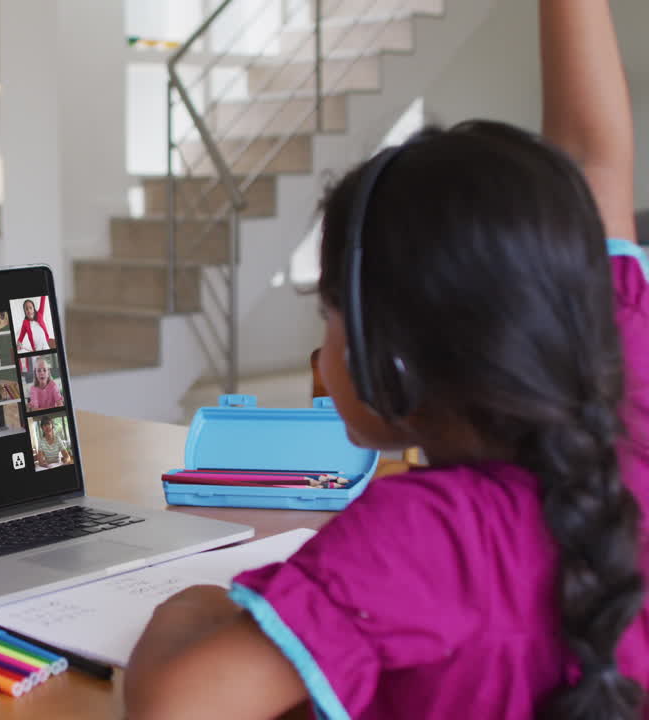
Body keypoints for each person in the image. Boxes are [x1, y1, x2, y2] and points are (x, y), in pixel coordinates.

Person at [124, 2, 649, 719]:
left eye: (329, 311)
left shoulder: (423, 535)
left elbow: (176, 707)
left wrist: (192, 605)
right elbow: (594, 159)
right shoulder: (627, 375)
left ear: (388, 354)